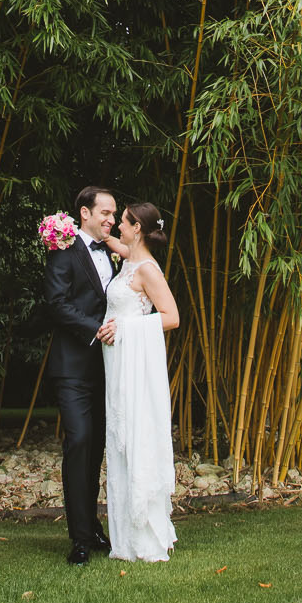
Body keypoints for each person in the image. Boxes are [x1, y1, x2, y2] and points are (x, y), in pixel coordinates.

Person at [96, 200, 178, 563]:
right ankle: (123, 540)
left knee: (135, 438)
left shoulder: (147, 269)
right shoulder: (128, 255)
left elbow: (171, 317)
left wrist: (125, 328)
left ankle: (143, 537)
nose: (117, 226)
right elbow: (106, 240)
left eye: (123, 222)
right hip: (116, 364)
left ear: (137, 229)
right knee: (119, 440)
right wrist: (69, 230)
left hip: (133, 366)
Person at [42, 185, 118, 565]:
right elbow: (56, 303)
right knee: (80, 441)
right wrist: (95, 329)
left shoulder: (114, 253)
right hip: (72, 368)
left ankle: (93, 527)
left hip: (107, 369)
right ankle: (80, 539)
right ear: (84, 213)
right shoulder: (63, 251)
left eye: (114, 214)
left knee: (96, 450)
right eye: (105, 212)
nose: (112, 220)